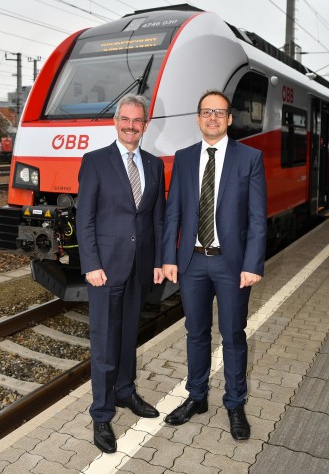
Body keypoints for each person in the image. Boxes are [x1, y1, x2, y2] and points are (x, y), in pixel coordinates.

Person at [162, 90, 267, 440]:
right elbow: (173, 211)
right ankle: (197, 397)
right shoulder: (184, 157)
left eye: (219, 113)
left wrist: (253, 263)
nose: (212, 118)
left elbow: (256, 218)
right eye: (207, 112)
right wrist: (168, 258)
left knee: (234, 335)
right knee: (196, 333)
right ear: (198, 118)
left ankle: (235, 403)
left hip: (231, 265)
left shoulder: (249, 158)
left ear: (230, 119)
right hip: (192, 262)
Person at [76, 94, 165, 454]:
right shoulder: (95, 162)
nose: (131, 127)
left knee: (129, 335)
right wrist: (91, 264)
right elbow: (86, 220)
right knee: (104, 345)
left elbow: (156, 217)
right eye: (125, 120)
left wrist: (159, 260)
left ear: (145, 125)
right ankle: (101, 412)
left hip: (140, 266)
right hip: (106, 269)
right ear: (116, 122)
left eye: (137, 121)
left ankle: (126, 392)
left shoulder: (155, 165)